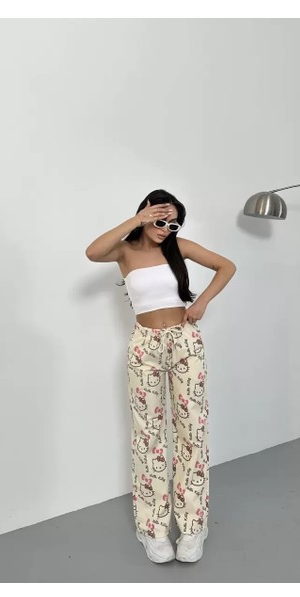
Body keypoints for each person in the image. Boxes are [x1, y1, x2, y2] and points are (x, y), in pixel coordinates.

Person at [85, 189, 236, 563]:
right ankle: (152, 528)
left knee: (191, 433)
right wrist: (137, 221)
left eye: (173, 223)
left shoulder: (179, 247)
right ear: (145, 215)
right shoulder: (124, 251)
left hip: (185, 343)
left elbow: (226, 266)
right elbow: (92, 252)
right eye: (160, 220)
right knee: (148, 436)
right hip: (145, 346)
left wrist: (202, 302)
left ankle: (193, 527)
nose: (166, 228)